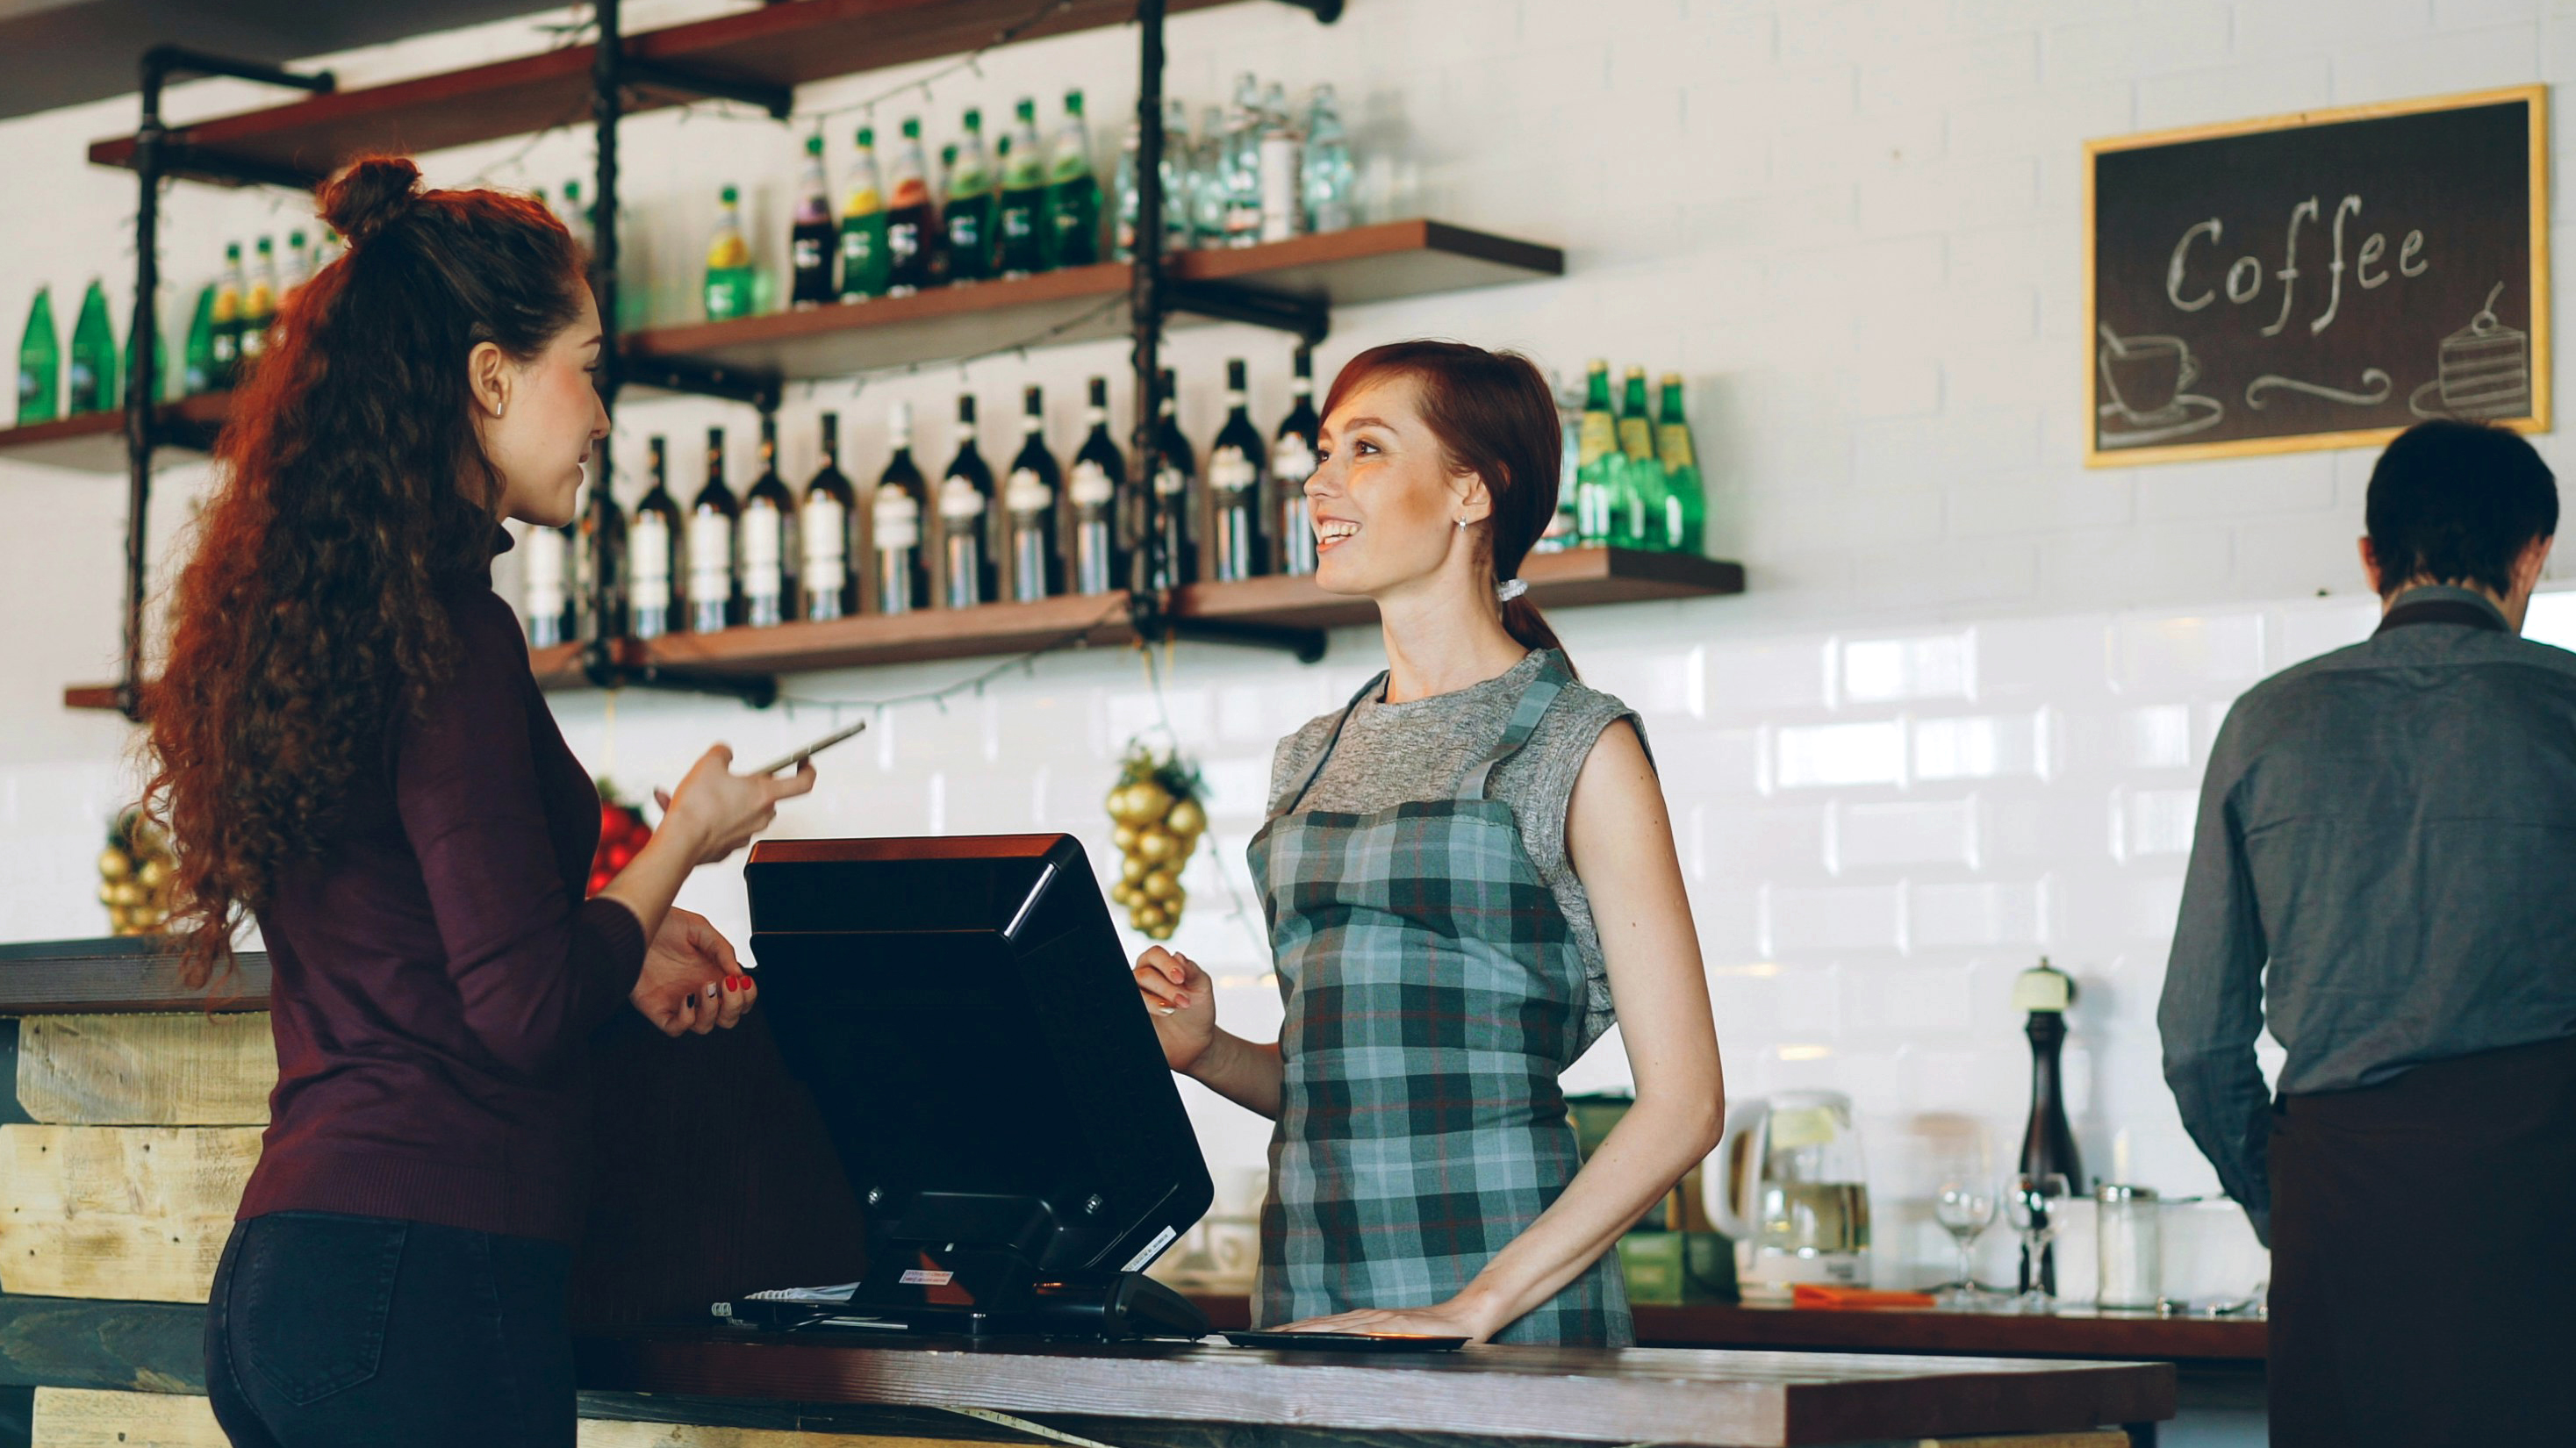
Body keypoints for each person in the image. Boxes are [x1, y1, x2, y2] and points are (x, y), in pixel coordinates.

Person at [143, 157, 814, 1447]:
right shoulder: (451, 630)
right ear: (491, 377)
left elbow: (437, 957)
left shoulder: (334, 620)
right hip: (423, 1284)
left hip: (294, 1278)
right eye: (588, 362)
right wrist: (680, 837)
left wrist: (613, 944)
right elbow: (517, 1010)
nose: (604, 412)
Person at [1132, 340, 1725, 1346]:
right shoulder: (1310, 757)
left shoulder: (1578, 745)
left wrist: (1473, 1307)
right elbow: (1358, 1083)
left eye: (1365, 449)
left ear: (1470, 492)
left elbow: (1686, 1105)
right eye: (1322, 452)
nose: (1319, 484)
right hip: (1317, 1294)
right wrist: (1211, 1054)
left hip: (1508, 1308)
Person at [2159, 419, 2576, 1447]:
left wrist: (2284, 1204)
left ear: (2369, 557)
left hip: (2340, 1224)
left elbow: (2198, 1043)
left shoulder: (2266, 724)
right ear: (2533, 554)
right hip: (2545, 1217)